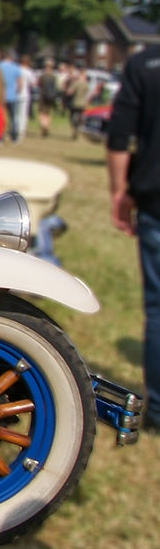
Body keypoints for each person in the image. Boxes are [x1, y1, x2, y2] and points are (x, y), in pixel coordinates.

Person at [105, 42, 160, 432]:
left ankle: (157, 408)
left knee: (159, 310)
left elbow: (120, 135)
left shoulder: (145, 64)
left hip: (156, 197)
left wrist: (118, 191)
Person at [37, 58, 60, 136]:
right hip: (51, 97)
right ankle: (47, 125)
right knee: (48, 113)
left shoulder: (43, 76)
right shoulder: (53, 77)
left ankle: (43, 125)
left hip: (43, 96)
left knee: (41, 112)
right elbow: (56, 87)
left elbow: (39, 85)